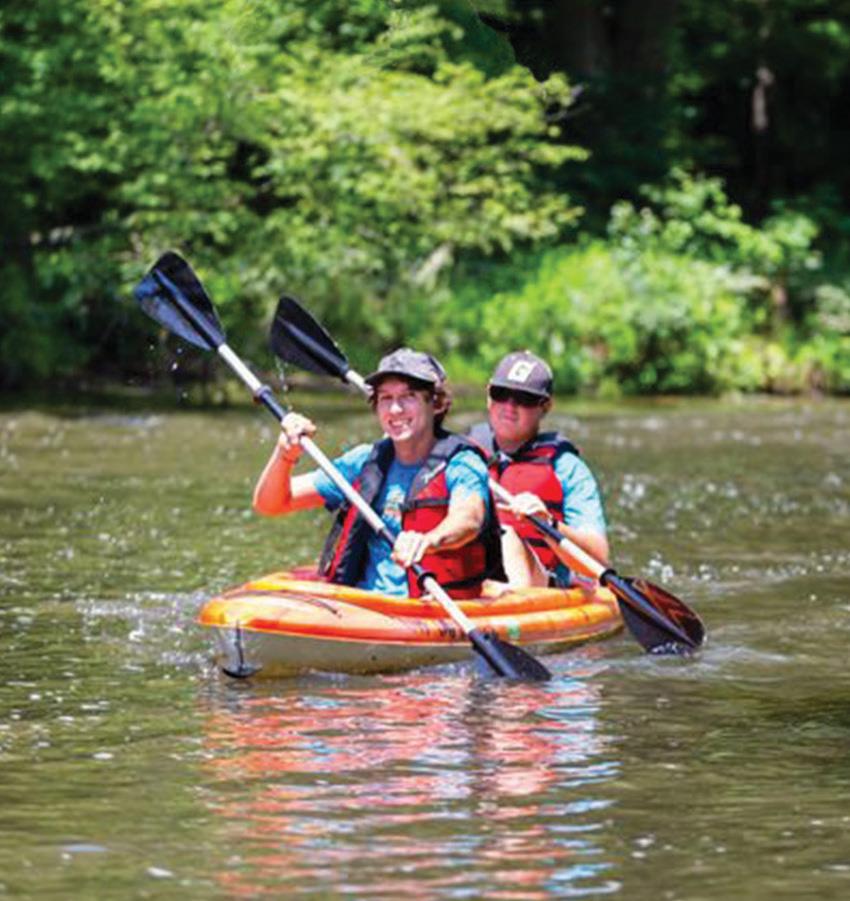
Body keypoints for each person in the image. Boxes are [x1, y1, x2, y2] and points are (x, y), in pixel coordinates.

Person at [253, 348, 504, 598]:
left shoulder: (461, 462)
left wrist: (429, 540)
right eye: (385, 398)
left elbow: (469, 518)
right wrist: (285, 455)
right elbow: (271, 504)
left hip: (429, 605)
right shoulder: (365, 460)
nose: (395, 409)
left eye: (409, 396)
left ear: (436, 404)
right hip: (362, 603)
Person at [468, 350, 609, 588]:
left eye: (524, 399)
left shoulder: (567, 468)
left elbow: (599, 559)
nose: (510, 407)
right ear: (489, 396)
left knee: (507, 537)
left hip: (539, 584)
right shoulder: (461, 455)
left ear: (545, 406)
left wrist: (549, 524)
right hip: (467, 573)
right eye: (501, 394)